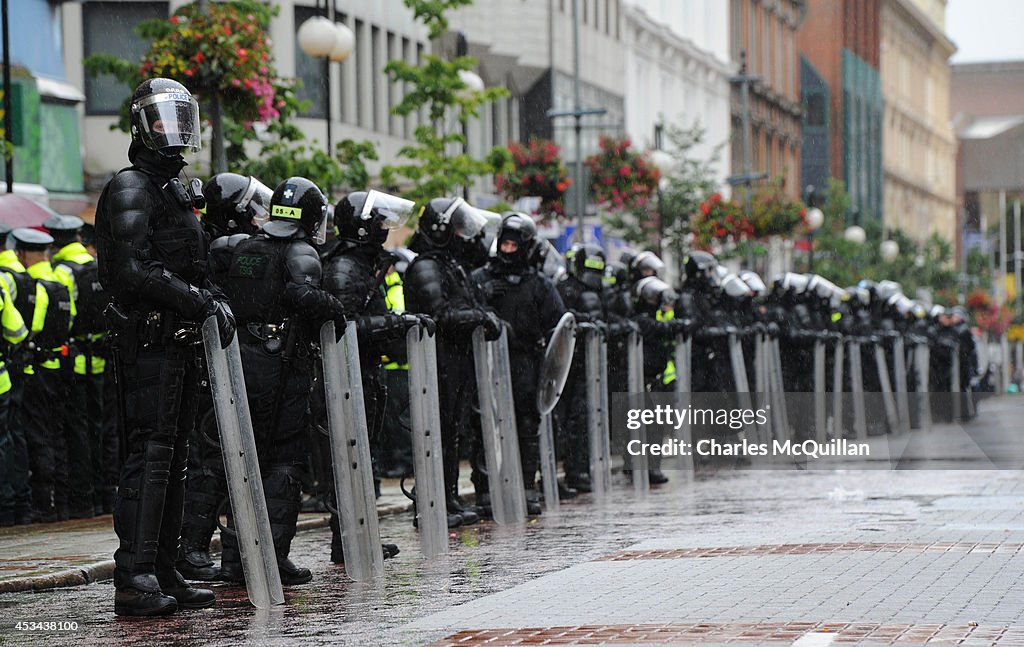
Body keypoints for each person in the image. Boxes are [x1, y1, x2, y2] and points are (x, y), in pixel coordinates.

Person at [95, 78, 228, 616]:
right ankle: (136, 574)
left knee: (175, 459)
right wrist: (196, 300)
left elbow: (191, 265)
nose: (170, 130)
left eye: (178, 119)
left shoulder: (173, 189)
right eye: (159, 119)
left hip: (178, 345)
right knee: (149, 459)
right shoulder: (131, 187)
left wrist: (210, 296)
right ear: (140, 125)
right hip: (147, 343)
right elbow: (132, 270)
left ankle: (165, 567)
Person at [217, 177, 348, 586]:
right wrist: (334, 309)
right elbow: (304, 297)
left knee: (243, 456)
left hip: (242, 362)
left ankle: (235, 558)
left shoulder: (245, 247)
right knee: (284, 461)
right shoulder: (299, 251)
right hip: (281, 367)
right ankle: (272, 553)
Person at [175, 172, 272, 582]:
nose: (257, 218)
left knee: (217, 455)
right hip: (206, 369)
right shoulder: (217, 249)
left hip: (221, 366)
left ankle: (204, 547)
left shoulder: (221, 245)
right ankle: (192, 548)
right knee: (211, 458)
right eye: (251, 210)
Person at [405, 196, 500, 527]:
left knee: (452, 432)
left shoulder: (449, 265)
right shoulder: (425, 266)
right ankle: (434, 499)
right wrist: (478, 316)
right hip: (438, 363)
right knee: (439, 431)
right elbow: (441, 313)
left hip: (456, 362)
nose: (465, 236)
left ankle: (448, 496)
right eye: (458, 228)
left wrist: (484, 315)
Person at [472, 212, 566, 511]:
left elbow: (557, 324)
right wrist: (481, 296)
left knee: (527, 424)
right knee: (485, 422)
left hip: (525, 361)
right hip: (486, 364)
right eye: (505, 244)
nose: (508, 251)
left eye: (515, 246)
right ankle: (486, 490)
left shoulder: (538, 284)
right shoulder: (480, 278)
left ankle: (527, 486)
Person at [47, 214, 112, 517]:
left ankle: (82, 500)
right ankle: (106, 496)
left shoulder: (61, 271)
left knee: (78, 430)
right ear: (77, 237)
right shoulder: (97, 265)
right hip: (103, 356)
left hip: (75, 362)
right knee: (105, 428)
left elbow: (65, 319)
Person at [15, 228, 77, 521]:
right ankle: (62, 501)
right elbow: (71, 320)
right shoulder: (61, 282)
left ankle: (45, 503)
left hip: (38, 369)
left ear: (25, 254)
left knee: (38, 434)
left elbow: (31, 329)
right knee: (57, 431)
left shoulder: (36, 286)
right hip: (60, 368)